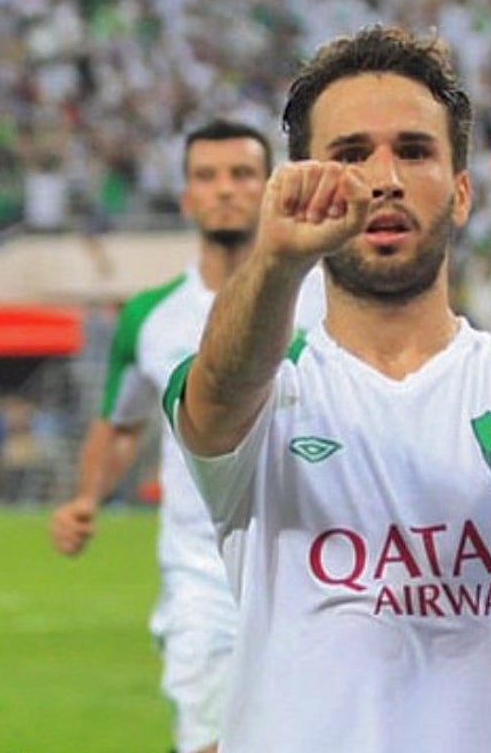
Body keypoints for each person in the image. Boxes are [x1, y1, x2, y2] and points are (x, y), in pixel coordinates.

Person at [162, 25, 491, 752]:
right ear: (297, 184)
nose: (384, 177)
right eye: (350, 154)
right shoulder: (276, 394)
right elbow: (218, 396)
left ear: (459, 195)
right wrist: (273, 263)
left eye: (414, 151)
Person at [47, 119, 324, 753]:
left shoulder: (324, 300)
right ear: (186, 198)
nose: (225, 189)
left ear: (269, 188)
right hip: (200, 571)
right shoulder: (150, 314)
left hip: (314, 561)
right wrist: (87, 498)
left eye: (241, 174)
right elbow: (121, 424)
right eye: (207, 176)